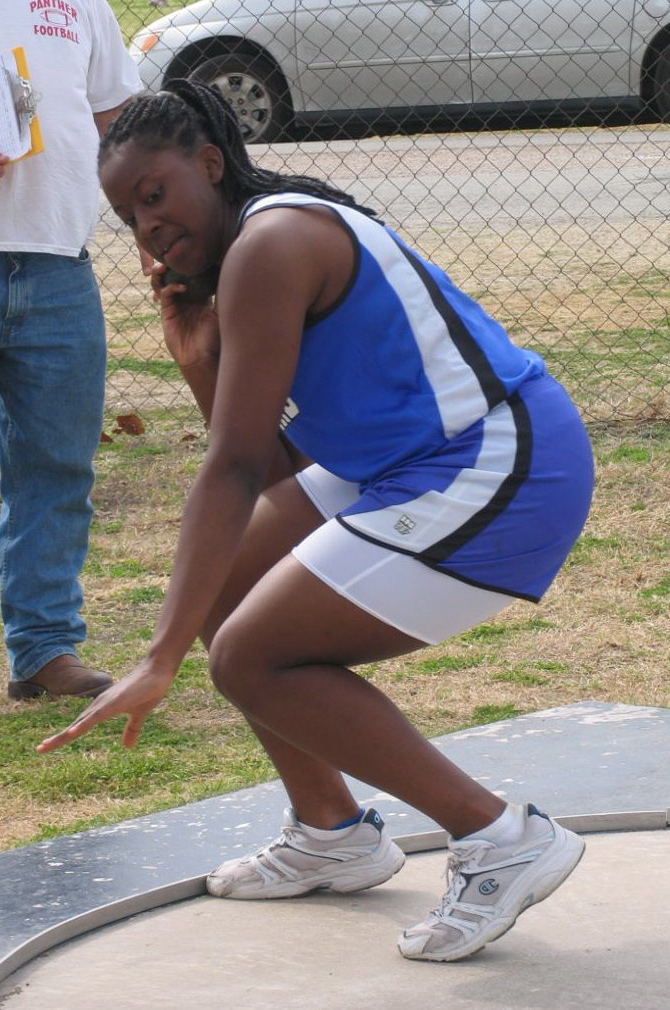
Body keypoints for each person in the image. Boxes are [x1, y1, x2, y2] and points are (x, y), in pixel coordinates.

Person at [38, 80, 594, 963]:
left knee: (252, 658)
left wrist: (161, 658)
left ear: (211, 165)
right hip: (409, 464)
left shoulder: (274, 240)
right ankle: (332, 832)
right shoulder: (241, 261)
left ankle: (500, 839)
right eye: (126, 217)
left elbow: (234, 468)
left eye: (156, 195)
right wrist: (196, 353)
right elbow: (278, 469)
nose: (147, 227)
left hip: (504, 464)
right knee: (231, 591)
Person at [0, 1, 142, 699]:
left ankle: (44, 650)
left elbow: (119, 120)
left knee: (55, 469)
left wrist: (153, 224)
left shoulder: (81, 5)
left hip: (58, 268)